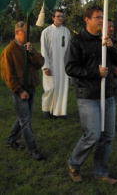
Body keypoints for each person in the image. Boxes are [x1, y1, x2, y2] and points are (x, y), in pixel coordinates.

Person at [64, 5, 117, 184]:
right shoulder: (77, 41)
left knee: (108, 136)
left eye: (102, 17)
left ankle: (101, 172)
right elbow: (70, 68)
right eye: (97, 17)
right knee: (93, 135)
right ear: (87, 20)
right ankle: (74, 163)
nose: (101, 21)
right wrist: (94, 71)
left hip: (107, 94)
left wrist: (112, 47)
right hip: (88, 95)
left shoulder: (105, 40)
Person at [1, 21, 46, 161]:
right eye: (26, 33)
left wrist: (32, 52)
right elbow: (7, 76)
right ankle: (33, 150)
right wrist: (19, 90)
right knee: (26, 121)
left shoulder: (28, 48)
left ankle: (11, 140)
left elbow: (40, 63)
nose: (29, 36)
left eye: (30, 34)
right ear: (17, 32)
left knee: (24, 118)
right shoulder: (9, 51)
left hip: (31, 88)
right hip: (20, 91)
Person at [41, 9, 71, 119]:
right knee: (50, 88)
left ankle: (60, 111)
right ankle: (46, 110)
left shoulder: (66, 31)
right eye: (58, 16)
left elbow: (69, 49)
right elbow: (44, 50)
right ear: (53, 17)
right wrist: (46, 66)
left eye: (62, 16)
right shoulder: (46, 32)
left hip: (63, 66)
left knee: (62, 88)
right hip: (51, 65)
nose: (60, 18)